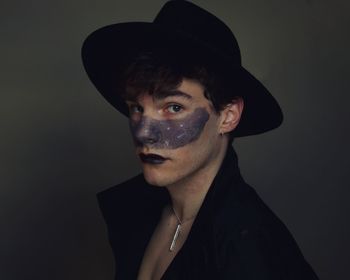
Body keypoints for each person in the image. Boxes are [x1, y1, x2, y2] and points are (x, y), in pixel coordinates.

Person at [81, 1, 319, 279]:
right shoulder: (143, 215)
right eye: (136, 108)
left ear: (228, 116)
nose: (144, 132)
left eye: (173, 107)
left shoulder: (250, 248)